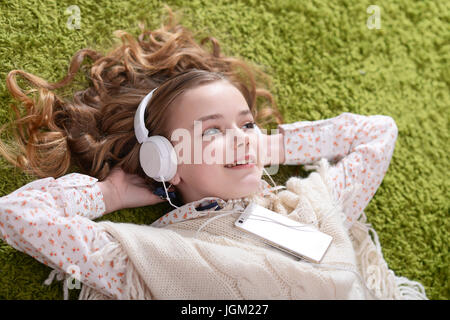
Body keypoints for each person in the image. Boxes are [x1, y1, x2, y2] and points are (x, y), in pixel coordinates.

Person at [0, 7, 427, 300]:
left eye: (245, 124)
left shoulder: (311, 209)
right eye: (212, 132)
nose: (242, 139)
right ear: (165, 162)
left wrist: (272, 144)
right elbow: (16, 215)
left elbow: (378, 133)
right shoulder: (155, 259)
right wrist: (107, 196)